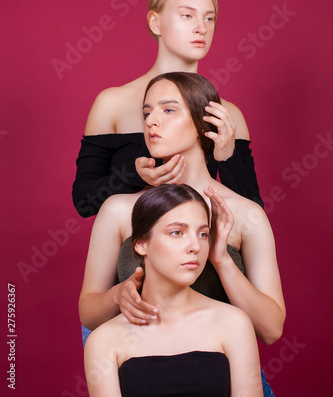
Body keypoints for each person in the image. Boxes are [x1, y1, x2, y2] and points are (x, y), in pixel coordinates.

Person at [79, 72, 285, 395]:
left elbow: (271, 330)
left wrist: (221, 260)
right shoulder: (119, 210)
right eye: (146, 113)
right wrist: (117, 297)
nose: (151, 122)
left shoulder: (246, 215)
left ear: (206, 122)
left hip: (225, 378)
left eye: (168, 110)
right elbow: (88, 313)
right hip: (143, 378)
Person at [72, 0, 263, 219]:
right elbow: (84, 203)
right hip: (133, 252)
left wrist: (227, 159)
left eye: (209, 18)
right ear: (155, 22)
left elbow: (252, 218)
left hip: (203, 253)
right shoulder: (112, 104)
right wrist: (135, 176)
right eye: (187, 15)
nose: (201, 28)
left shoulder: (225, 114)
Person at [84, 183, 263, 397]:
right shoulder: (104, 340)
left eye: (203, 234)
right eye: (177, 232)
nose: (195, 246)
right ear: (141, 243)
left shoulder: (234, 323)